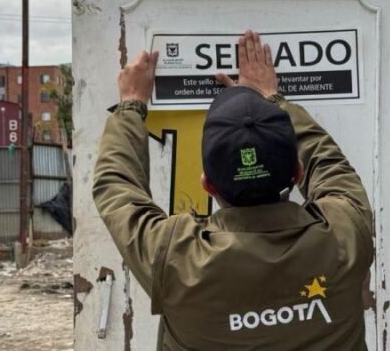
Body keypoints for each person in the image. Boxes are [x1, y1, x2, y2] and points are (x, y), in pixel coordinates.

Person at [93, 30, 374, 350]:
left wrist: (130, 105)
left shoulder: (177, 258)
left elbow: (116, 187)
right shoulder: (346, 233)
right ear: (298, 172)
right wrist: (272, 99)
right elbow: (330, 165)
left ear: (207, 184)